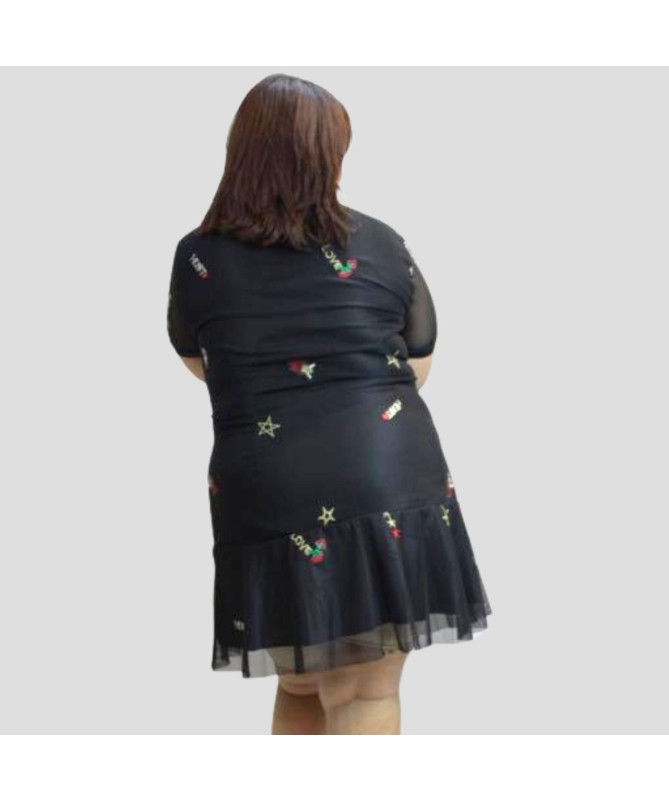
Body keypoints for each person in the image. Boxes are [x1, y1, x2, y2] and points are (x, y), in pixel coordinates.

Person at [166, 73, 492, 735]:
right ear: (327, 156)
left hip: (264, 486)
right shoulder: (380, 241)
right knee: (363, 694)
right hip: (381, 475)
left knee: (300, 680)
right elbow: (416, 362)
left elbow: (202, 362)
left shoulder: (198, 255)